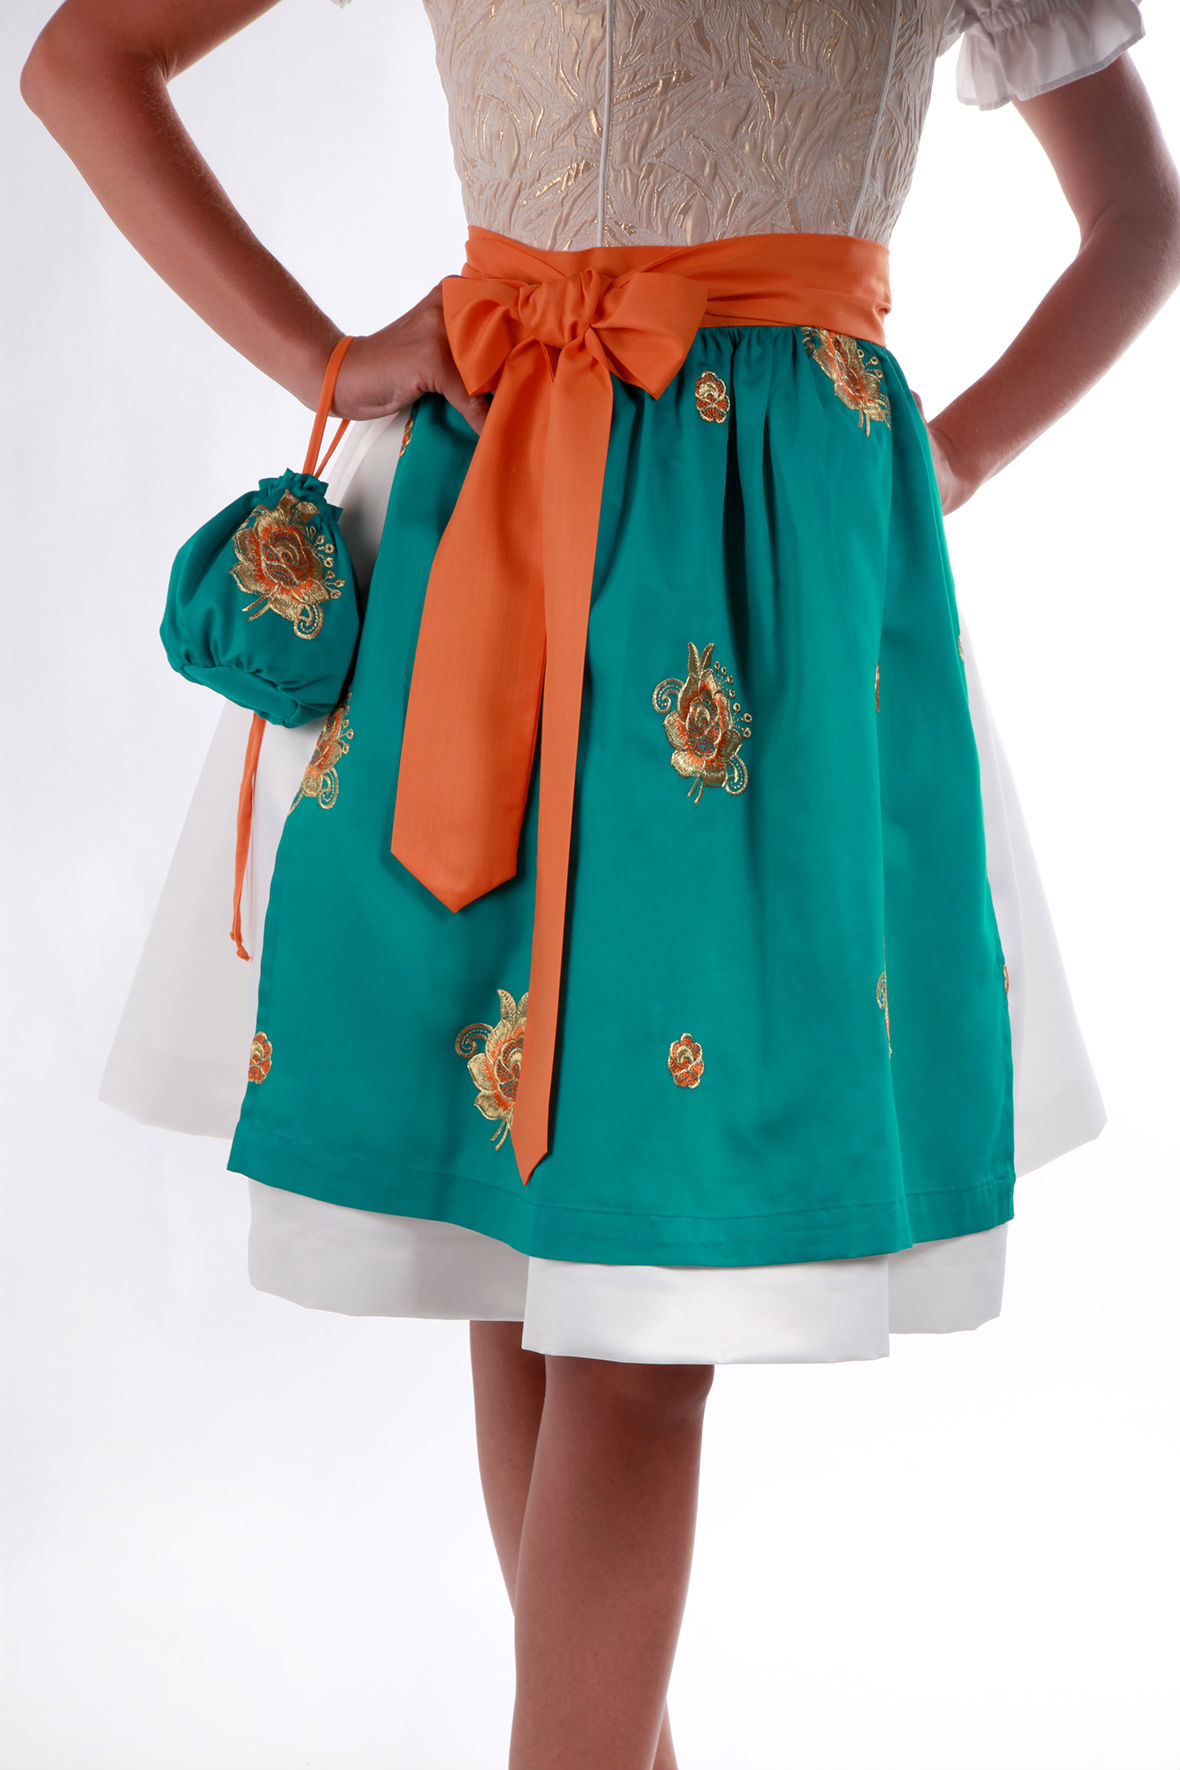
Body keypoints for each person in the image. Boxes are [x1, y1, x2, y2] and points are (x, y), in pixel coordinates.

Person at [20, 3, 1178, 1766]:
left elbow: (1139, 218)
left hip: (765, 598)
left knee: (643, 1315)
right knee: (527, 1273)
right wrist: (329, 358)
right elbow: (85, 62)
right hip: (498, 540)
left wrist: (936, 464)